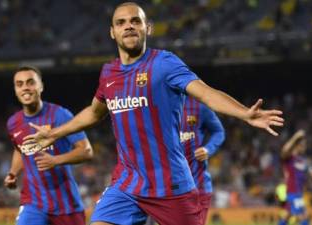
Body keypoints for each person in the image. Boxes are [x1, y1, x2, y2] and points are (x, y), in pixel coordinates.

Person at [24, 2, 284, 225]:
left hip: (171, 185)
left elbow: (205, 93)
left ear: (147, 28)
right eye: (121, 22)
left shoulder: (164, 63)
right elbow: (94, 113)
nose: (128, 26)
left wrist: (244, 114)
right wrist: (55, 133)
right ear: (112, 32)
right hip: (127, 183)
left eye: (135, 21)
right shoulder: (109, 74)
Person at [3, 66, 93, 225]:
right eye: (19, 84)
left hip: (66, 205)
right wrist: (13, 173)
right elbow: (20, 150)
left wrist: (55, 160)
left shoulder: (60, 115)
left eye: (30, 82)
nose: (25, 87)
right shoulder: (13, 123)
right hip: (33, 202)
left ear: (41, 86)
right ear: (15, 89)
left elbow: (86, 151)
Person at [180, 96, 225, 224]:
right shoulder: (159, 106)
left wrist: (208, 149)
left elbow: (219, 131)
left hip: (198, 185)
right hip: (169, 187)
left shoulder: (199, 106)